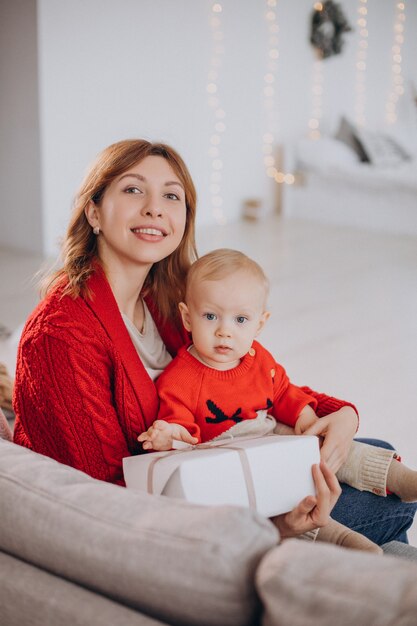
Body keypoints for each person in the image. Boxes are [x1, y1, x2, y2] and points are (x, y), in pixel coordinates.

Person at [12, 139, 416, 546]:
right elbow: (104, 502)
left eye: (171, 196)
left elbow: (246, 379)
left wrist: (341, 415)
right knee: (392, 504)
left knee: (376, 451)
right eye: (133, 189)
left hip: (215, 467)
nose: (154, 207)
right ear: (94, 211)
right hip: (176, 516)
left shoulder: (167, 299)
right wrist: (274, 527)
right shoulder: (60, 335)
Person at [139, 248, 417, 546]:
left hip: (270, 431)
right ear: (187, 317)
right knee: (287, 498)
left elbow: (284, 392)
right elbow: (182, 429)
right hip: (226, 455)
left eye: (241, 320)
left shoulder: (259, 359)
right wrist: (169, 433)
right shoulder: (180, 378)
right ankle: (343, 540)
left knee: (326, 451)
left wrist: (306, 417)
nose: (224, 332)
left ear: (260, 323)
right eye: (210, 316)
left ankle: (400, 478)